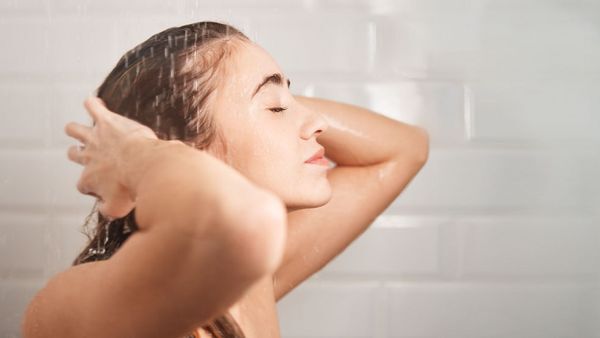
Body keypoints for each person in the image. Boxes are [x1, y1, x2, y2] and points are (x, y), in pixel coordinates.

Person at [21, 21, 429, 338]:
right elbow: (237, 220)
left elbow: (404, 149)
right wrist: (139, 151)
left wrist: (268, 96)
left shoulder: (240, 279)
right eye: (274, 107)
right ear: (189, 149)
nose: (317, 122)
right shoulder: (74, 305)